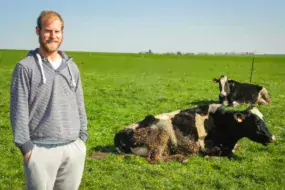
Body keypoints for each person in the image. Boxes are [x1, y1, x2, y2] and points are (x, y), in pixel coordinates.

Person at [10, 10, 88, 190]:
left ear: (62, 33)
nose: (53, 36)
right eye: (48, 31)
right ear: (38, 31)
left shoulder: (72, 67)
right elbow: (18, 110)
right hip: (40, 150)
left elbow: (79, 104)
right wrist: (26, 148)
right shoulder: (25, 68)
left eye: (57, 31)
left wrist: (81, 138)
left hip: (73, 149)